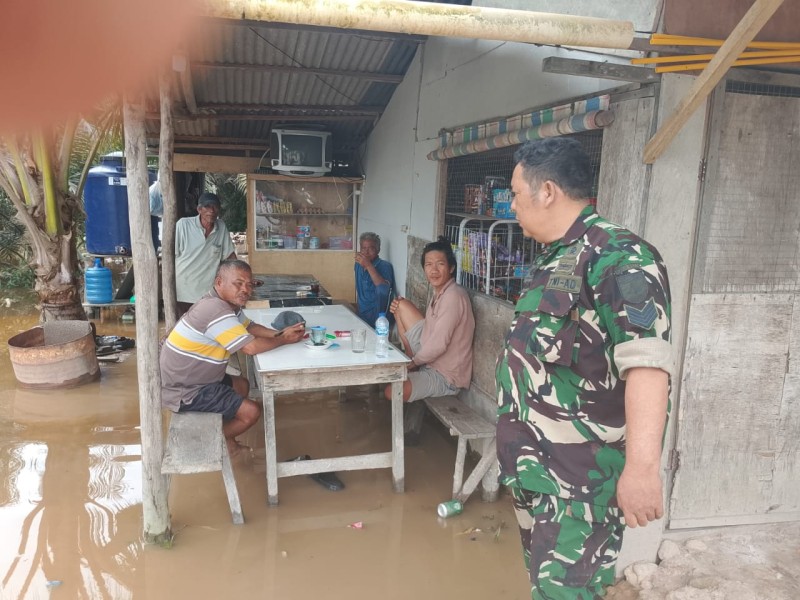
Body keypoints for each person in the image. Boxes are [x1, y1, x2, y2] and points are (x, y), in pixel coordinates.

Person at [495, 137, 673, 599]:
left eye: (515, 193)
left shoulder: (621, 258)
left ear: (547, 191)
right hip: (535, 471)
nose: (511, 204)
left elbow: (649, 369)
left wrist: (641, 469)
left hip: (579, 482)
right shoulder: (556, 260)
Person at [160, 260, 305, 456]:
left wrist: (280, 333)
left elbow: (249, 326)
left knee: (242, 385)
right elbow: (251, 348)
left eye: (249, 284)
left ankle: (227, 433)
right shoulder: (216, 309)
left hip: (195, 378)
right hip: (186, 390)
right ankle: (212, 440)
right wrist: (284, 341)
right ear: (219, 282)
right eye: (238, 283)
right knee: (251, 412)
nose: (246, 289)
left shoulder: (226, 305)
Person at [386, 237, 475, 442]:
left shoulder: (454, 296)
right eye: (428, 265)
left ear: (451, 268)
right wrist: (413, 359)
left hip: (444, 374)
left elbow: (439, 344)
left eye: (440, 264)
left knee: (392, 391)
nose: (433, 270)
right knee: (400, 304)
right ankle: (411, 360)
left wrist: (413, 363)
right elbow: (432, 337)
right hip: (429, 352)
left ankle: (412, 365)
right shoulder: (440, 292)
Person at [175, 192, 236, 315]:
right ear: (199, 209)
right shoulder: (183, 225)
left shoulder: (221, 227)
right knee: (186, 329)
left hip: (209, 293)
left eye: (215, 207)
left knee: (207, 328)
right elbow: (171, 256)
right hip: (185, 291)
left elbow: (230, 257)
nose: (212, 210)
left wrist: (242, 276)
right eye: (207, 206)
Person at [354, 232, 396, 327]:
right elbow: (359, 290)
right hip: (361, 314)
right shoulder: (358, 264)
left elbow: (383, 289)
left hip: (378, 318)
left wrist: (368, 265)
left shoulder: (385, 266)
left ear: (378, 250)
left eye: (371, 248)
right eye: (363, 248)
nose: (366, 252)